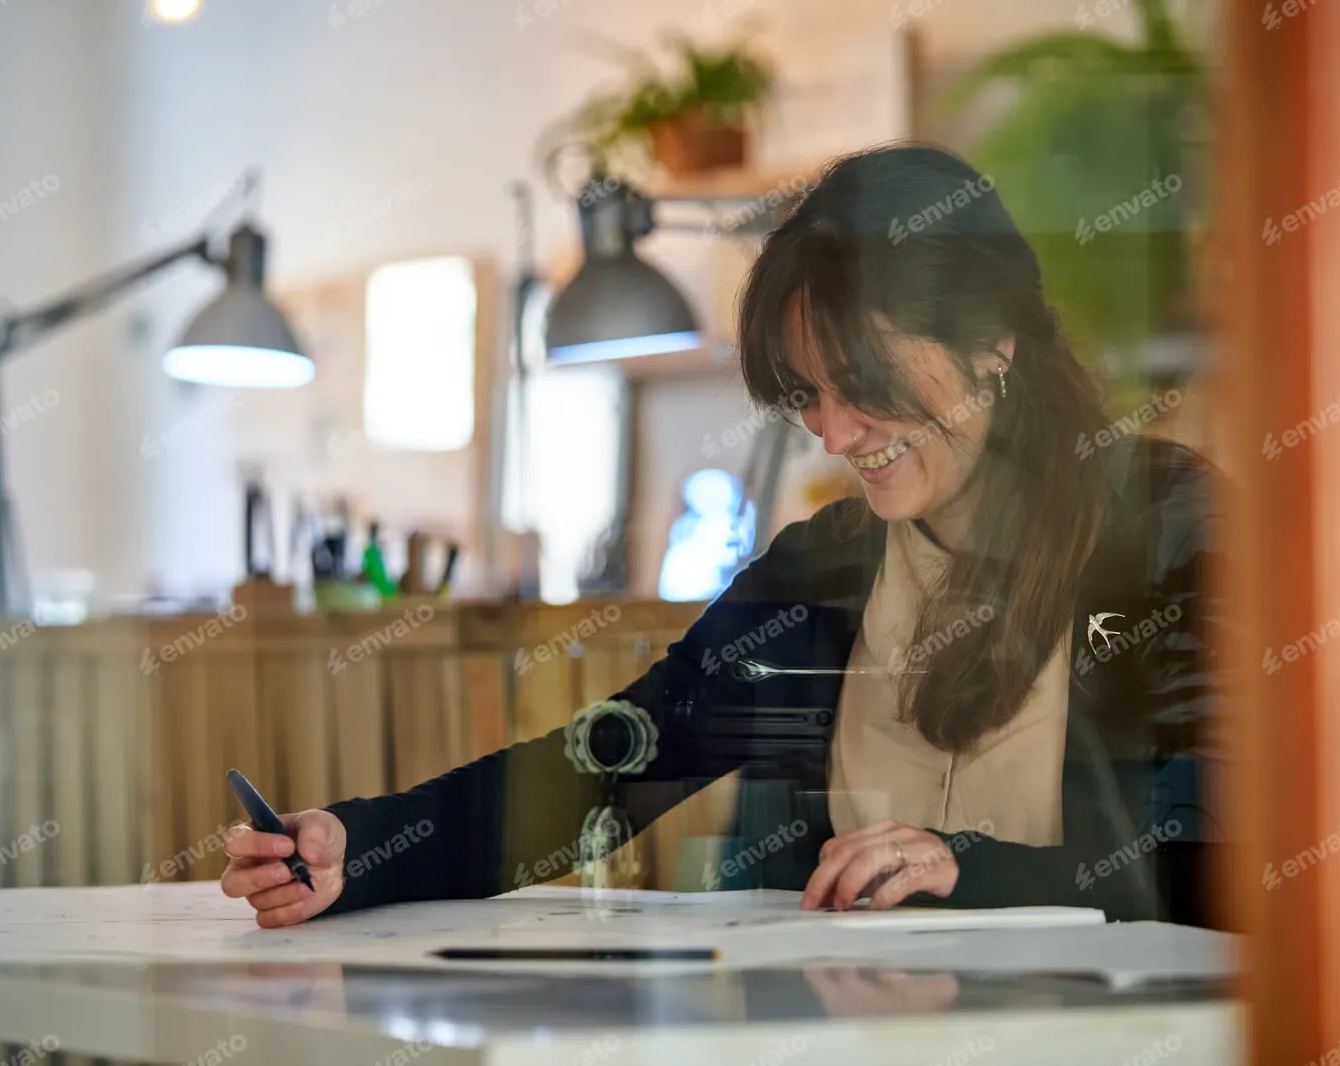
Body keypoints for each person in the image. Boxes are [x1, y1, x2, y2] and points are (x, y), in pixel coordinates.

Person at [221, 143, 1218, 929]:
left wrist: (978, 869)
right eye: (806, 395)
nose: (832, 432)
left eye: (864, 385)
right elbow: (609, 763)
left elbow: (1238, 861)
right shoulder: (825, 571)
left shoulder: (1169, 534)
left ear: (993, 339)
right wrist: (368, 846)